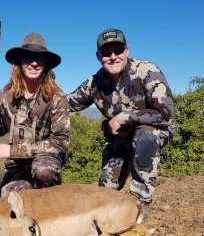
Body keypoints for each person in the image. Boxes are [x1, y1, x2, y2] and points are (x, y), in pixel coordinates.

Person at [67, 28, 175, 221]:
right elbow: (64, 104)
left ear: (127, 51)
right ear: (99, 56)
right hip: (119, 140)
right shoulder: (94, 83)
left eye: (118, 50)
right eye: (107, 53)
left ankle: (140, 207)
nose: (113, 57)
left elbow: (166, 114)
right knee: (105, 196)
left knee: (145, 135)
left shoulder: (147, 71)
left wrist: (124, 117)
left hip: (153, 133)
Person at [0, 33, 70, 198]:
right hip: (17, 164)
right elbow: (1, 130)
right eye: (28, 57)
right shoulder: (4, 95)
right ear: (19, 62)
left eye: (40, 59)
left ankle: (49, 208)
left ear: (46, 65)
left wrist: (12, 150)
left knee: (44, 172)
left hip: (46, 159)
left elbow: (61, 142)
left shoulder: (57, 97)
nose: (34, 63)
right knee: (8, 199)